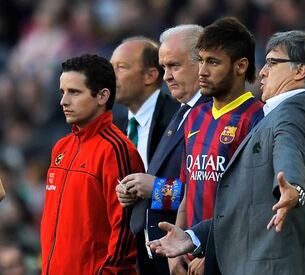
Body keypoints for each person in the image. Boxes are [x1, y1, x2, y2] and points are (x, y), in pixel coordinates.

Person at [148, 30, 305, 275]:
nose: (263, 72)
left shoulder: (297, 109)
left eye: (272, 62)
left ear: (300, 71)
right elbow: (245, 206)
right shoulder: (198, 116)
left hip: (277, 265)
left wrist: (292, 185)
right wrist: (193, 238)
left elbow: (289, 148)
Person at [172, 17, 264, 274]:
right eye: (201, 60)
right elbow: (188, 187)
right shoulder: (195, 116)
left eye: (213, 62)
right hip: (189, 256)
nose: (202, 70)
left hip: (231, 258)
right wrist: (177, 245)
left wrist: (213, 253)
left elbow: (252, 202)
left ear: (241, 66)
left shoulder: (257, 119)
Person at [41, 54, 144, 274]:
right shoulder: (61, 147)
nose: (64, 101)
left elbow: (127, 228)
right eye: (62, 92)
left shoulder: (117, 150)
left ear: (102, 96)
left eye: (74, 92)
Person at [116, 25, 206, 275]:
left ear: (202, 64)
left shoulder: (209, 117)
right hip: (154, 253)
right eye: (165, 67)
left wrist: (155, 189)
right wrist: (133, 192)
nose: (167, 76)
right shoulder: (182, 112)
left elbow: (206, 193)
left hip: (187, 254)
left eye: (174, 65)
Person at [110, 37, 179, 170]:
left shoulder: (177, 120)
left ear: (150, 76)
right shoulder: (115, 128)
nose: (111, 75)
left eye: (121, 67)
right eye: (110, 67)